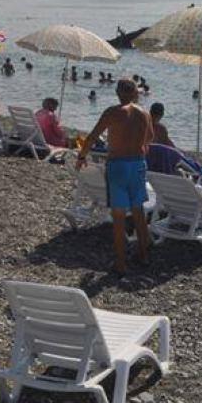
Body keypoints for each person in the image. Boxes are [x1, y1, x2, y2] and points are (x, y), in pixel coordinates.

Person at [77, 79, 154, 274]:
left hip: (118, 164)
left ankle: (121, 263)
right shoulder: (144, 113)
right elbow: (150, 138)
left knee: (118, 216)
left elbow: (93, 136)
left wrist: (81, 156)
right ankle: (144, 256)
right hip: (137, 164)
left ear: (118, 93)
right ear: (135, 93)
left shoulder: (112, 112)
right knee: (138, 212)